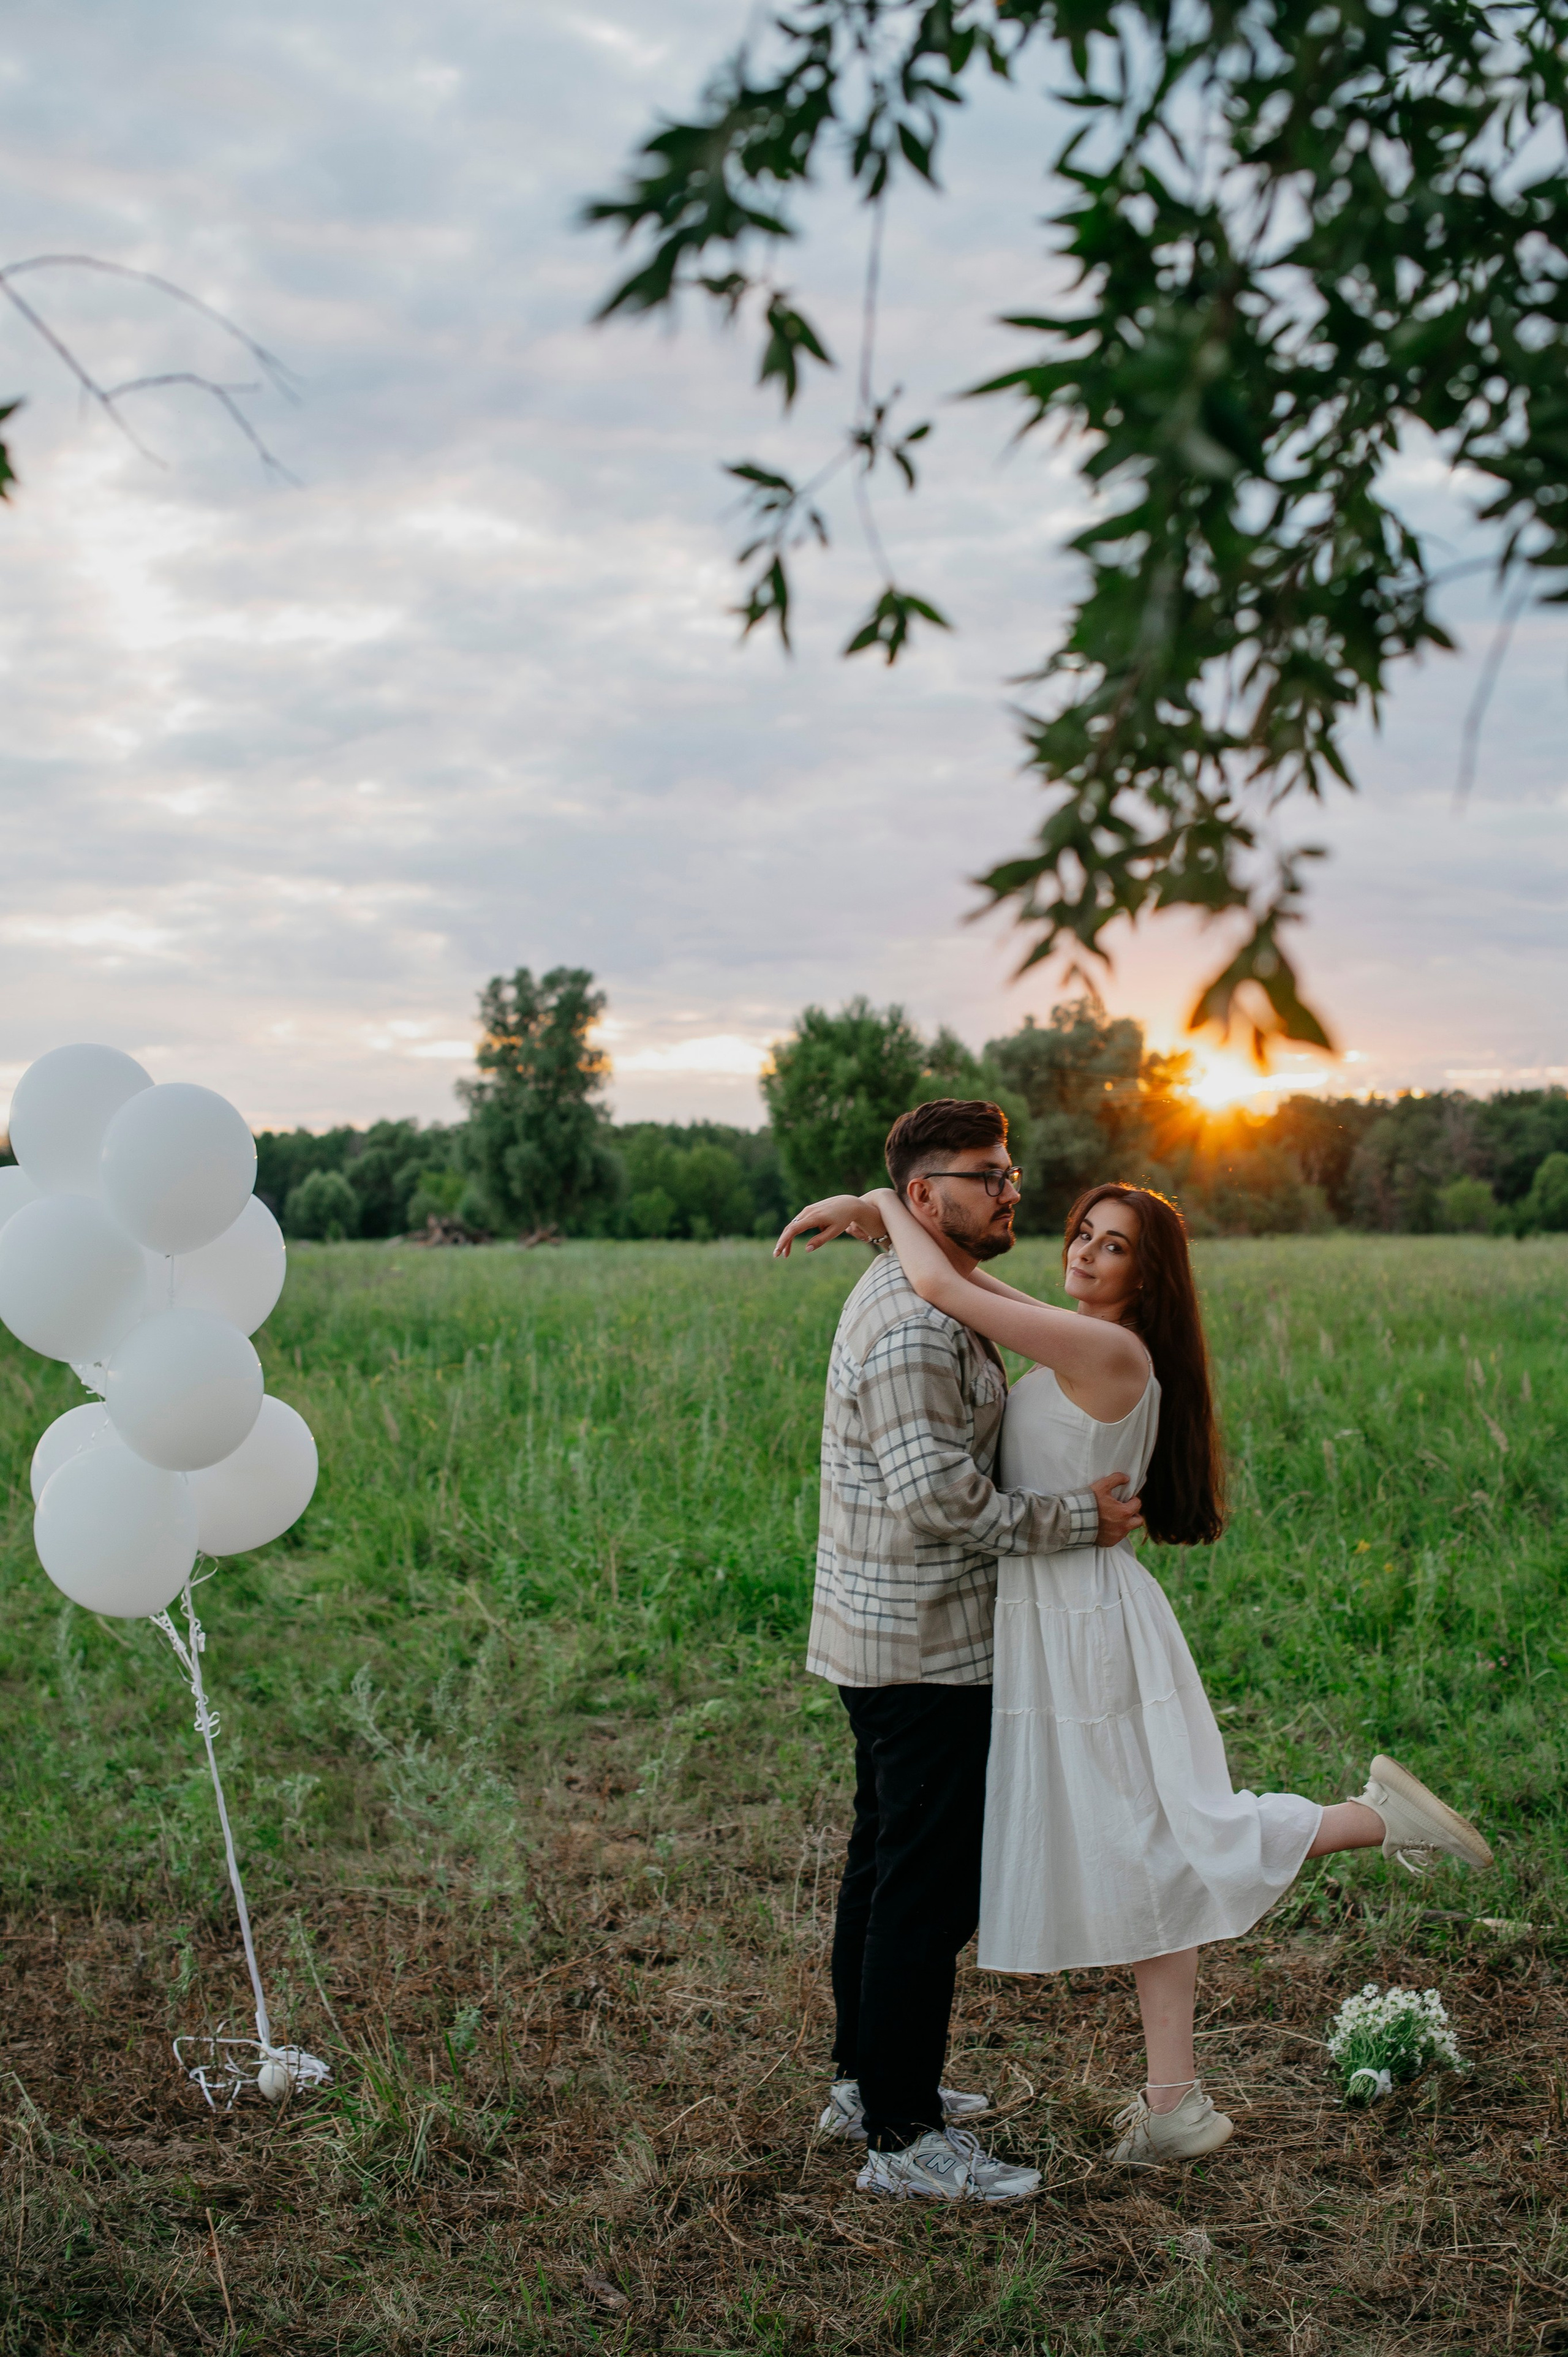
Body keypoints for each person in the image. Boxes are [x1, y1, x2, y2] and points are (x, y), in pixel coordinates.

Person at [778, 1166, 1494, 2170]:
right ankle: (1173, 2104)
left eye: (1113, 1245)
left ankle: (1374, 1821)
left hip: (1084, 1627)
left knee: (1170, 1837)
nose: (1082, 1251)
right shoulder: (1081, 1330)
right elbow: (982, 1293)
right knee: (1144, 1846)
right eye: (1081, 1232)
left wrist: (879, 1207)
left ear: (1147, 1277)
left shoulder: (1112, 1349)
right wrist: (885, 1224)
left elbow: (948, 1292)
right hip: (1051, 1616)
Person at [774, 1099, 1144, 2203]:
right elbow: (941, 1499)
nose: (1013, 1188)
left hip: (895, 1634)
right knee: (924, 1894)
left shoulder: (943, 1284)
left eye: (1012, 1169)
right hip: (919, 1645)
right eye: (988, 1174)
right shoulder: (916, 1326)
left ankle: (865, 2082)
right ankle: (904, 2138)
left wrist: (876, 1212)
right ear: (929, 1195)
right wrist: (1080, 1520)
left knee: (886, 1865)